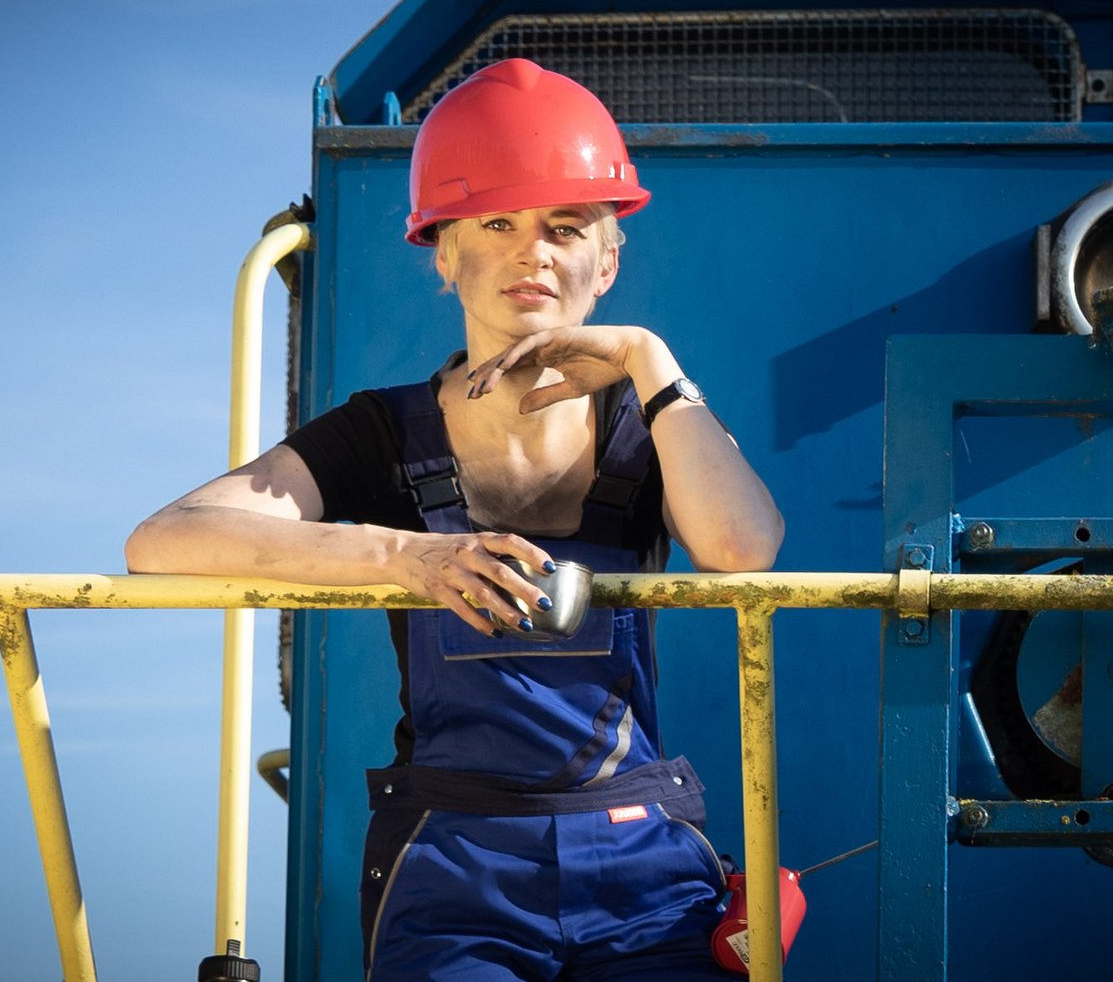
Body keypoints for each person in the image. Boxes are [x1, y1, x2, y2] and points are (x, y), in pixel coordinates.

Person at [126, 57, 784, 980]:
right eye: (499, 224)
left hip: (644, 865)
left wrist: (648, 356)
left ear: (610, 256)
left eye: (566, 226)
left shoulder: (657, 428)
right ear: (443, 252)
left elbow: (743, 549)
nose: (535, 253)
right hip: (452, 867)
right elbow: (164, 541)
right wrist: (410, 559)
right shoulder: (380, 436)